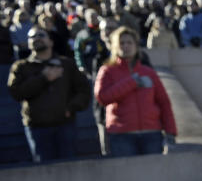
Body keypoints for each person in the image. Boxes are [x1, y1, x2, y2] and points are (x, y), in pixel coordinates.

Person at [7, 26, 90, 162]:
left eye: (40, 35)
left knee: (69, 168)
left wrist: (71, 108)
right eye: (31, 37)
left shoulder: (67, 64)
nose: (36, 39)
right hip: (37, 128)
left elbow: (84, 90)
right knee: (44, 171)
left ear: (51, 41)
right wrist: (43, 79)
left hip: (65, 125)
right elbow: (16, 93)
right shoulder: (21, 66)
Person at [94, 26, 177, 156]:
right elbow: (103, 97)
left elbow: (164, 102)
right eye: (122, 43)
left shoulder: (148, 72)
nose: (126, 46)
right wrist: (131, 82)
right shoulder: (107, 71)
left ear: (136, 46)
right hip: (121, 134)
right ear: (115, 46)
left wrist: (170, 132)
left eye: (129, 43)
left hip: (151, 133)